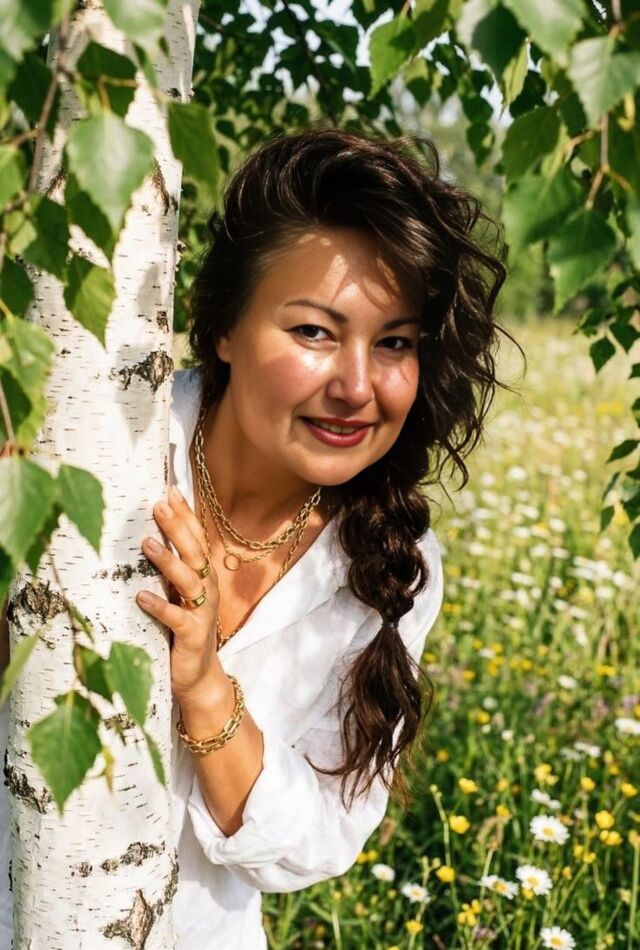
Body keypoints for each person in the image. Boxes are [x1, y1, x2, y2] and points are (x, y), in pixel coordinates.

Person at [0, 127, 520, 949]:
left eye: (394, 342)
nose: (358, 386)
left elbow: (318, 841)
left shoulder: (393, 563)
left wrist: (206, 687)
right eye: (315, 332)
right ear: (225, 328)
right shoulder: (87, 450)